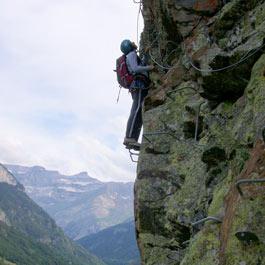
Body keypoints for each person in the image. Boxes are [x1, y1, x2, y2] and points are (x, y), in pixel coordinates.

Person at [120, 39, 154, 148]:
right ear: (129, 46)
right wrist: (150, 68)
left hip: (137, 85)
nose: (133, 43)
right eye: (131, 43)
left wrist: (145, 56)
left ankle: (133, 138)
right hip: (138, 85)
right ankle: (129, 137)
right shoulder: (132, 54)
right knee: (136, 109)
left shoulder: (130, 55)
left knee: (138, 111)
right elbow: (135, 68)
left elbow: (138, 65)